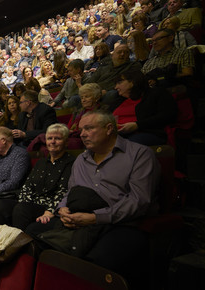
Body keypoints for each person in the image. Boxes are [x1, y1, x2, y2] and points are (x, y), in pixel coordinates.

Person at [26, 110, 160, 288]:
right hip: (78, 216)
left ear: (109, 129)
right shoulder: (81, 159)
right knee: (31, 233)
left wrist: (96, 217)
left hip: (118, 223)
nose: (82, 134)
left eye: (89, 128)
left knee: (94, 262)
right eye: (81, 129)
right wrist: (62, 209)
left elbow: (139, 201)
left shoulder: (139, 155)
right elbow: (70, 191)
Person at [0, 124, 75, 230]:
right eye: (49, 138)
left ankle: (17, 244)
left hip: (48, 207)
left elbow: (64, 191)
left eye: (57, 138)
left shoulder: (71, 163)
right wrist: (25, 201)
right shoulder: (42, 162)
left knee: (22, 209)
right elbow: (27, 186)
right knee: (0, 206)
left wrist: (50, 211)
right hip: (31, 203)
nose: (52, 142)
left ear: (66, 142)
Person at [111, 69, 178, 146]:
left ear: (133, 81)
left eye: (119, 82)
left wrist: (137, 125)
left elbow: (168, 115)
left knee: (127, 145)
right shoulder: (119, 100)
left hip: (147, 132)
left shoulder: (156, 93)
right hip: (118, 133)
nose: (116, 87)